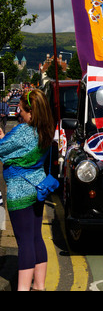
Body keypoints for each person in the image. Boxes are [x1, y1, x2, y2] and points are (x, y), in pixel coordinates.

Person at [0, 89, 55, 291]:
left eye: (21, 110)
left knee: (24, 243)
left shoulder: (23, 131)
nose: (18, 113)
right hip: (38, 188)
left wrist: (3, 138)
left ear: (31, 112)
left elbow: (2, 149)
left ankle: (22, 289)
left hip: (20, 191)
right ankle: (39, 286)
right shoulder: (46, 130)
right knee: (35, 237)